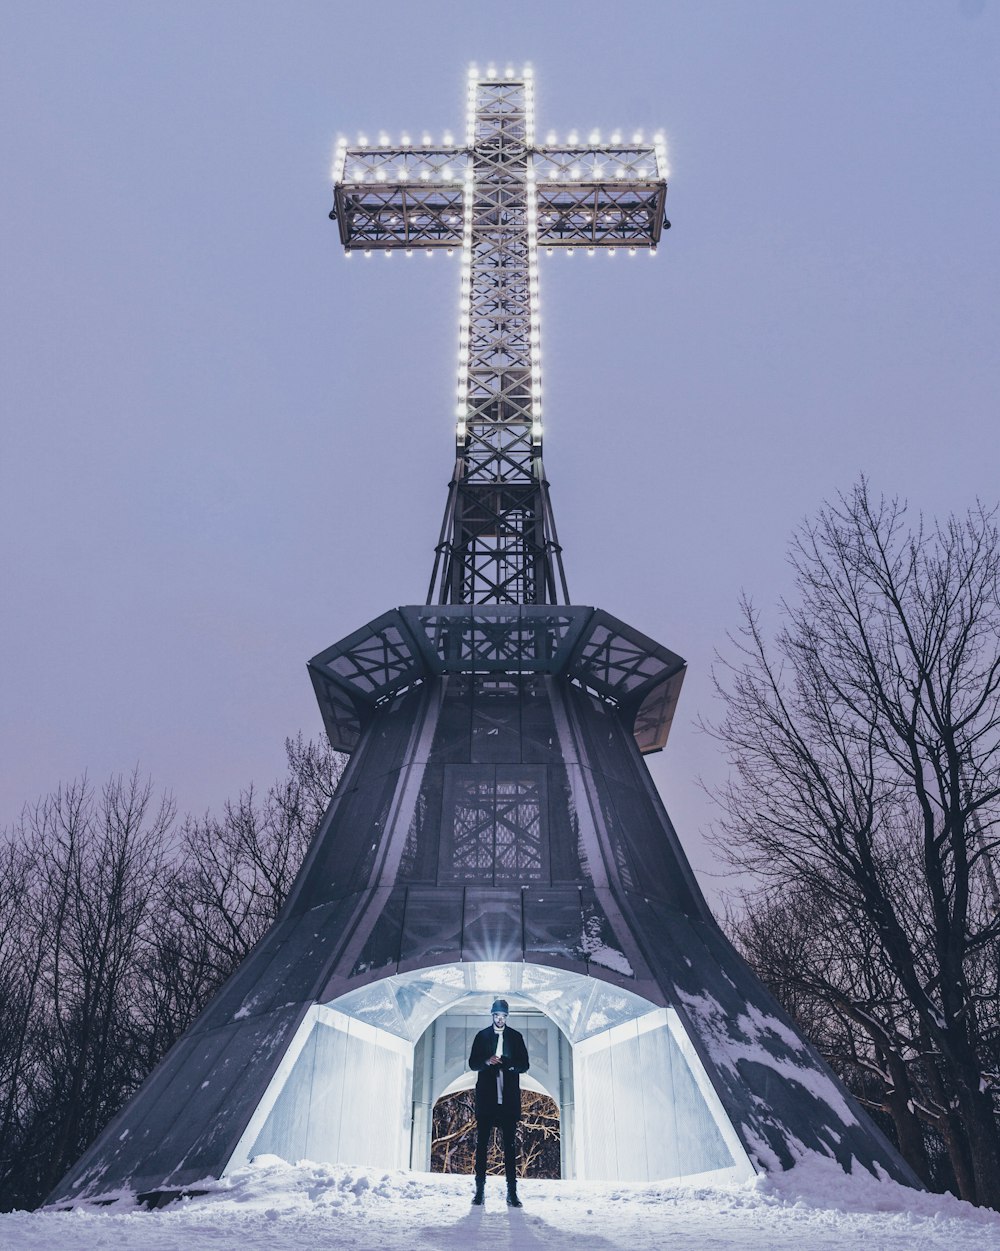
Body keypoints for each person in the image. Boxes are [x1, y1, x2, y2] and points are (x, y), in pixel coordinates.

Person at [467, 998, 530, 1207]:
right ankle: (479, 1192)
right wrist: (487, 1061)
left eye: (503, 1016)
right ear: (492, 1015)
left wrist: (509, 1064)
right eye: (497, 1016)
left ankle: (512, 1193)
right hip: (487, 1099)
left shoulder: (515, 1037)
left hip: (508, 1100)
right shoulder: (482, 1036)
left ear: (506, 1017)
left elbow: (524, 1065)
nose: (500, 1019)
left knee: (510, 1148)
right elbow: (473, 1063)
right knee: (482, 1145)